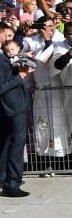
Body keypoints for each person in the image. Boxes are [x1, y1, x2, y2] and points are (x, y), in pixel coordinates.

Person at [0, 35, 32, 197]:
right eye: (4, 33)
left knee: (6, 143)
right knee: (16, 144)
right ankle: (12, 183)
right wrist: (20, 76)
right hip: (12, 107)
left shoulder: (4, 57)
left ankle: (5, 178)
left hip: (12, 107)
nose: (7, 37)